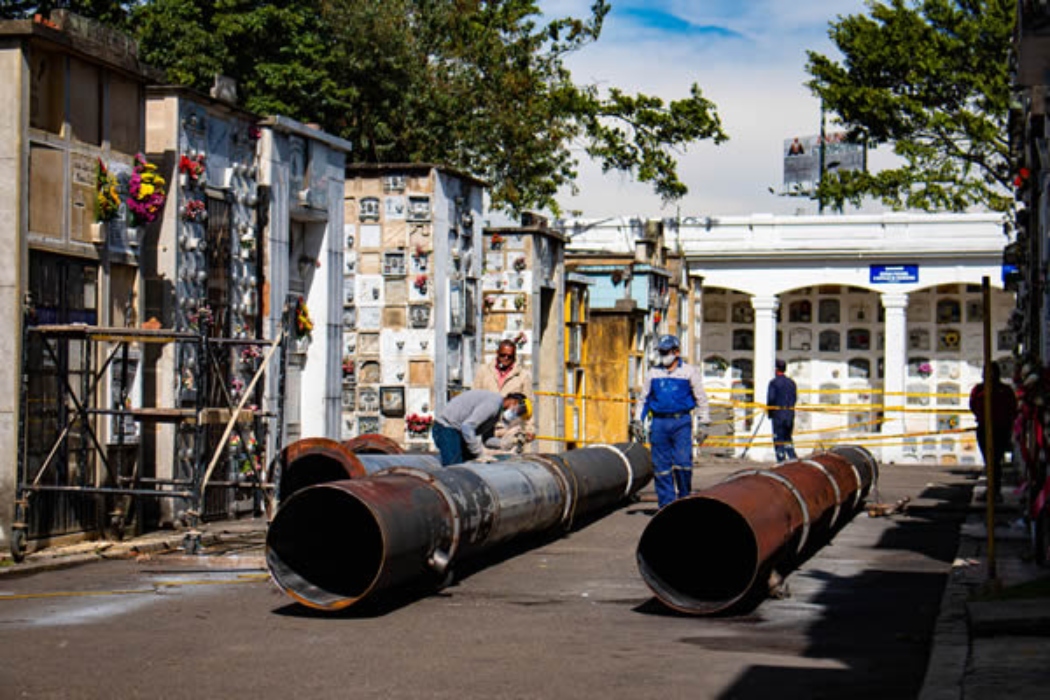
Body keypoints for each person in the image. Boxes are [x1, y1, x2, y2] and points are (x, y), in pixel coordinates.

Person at [632, 334, 711, 508]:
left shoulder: (689, 372)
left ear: (676, 352)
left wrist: (704, 422)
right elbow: (644, 399)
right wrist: (638, 420)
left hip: (681, 422)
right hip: (659, 423)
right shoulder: (653, 373)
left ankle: (683, 499)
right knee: (661, 467)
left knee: (683, 463)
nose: (663, 355)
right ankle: (666, 505)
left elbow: (701, 398)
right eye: (661, 352)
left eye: (666, 351)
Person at [432, 390, 529, 466]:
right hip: (446, 429)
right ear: (514, 401)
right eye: (519, 412)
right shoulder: (493, 405)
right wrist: (479, 454)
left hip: (457, 432)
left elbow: (487, 440)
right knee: (454, 469)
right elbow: (467, 427)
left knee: (467, 467)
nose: (515, 415)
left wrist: (503, 443)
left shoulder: (496, 413)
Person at [969, 362, 1018, 502]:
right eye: (986, 372)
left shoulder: (1005, 390)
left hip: (1001, 429)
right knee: (989, 461)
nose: (988, 375)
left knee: (995, 461)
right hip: (984, 428)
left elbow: (1012, 408)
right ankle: (992, 490)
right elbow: (973, 405)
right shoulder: (978, 389)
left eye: (992, 372)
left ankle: (994, 491)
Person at [473, 339, 536, 444]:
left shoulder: (523, 376)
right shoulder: (484, 371)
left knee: (508, 459)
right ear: (497, 353)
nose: (506, 358)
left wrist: (530, 430)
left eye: (510, 356)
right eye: (503, 355)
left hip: (511, 430)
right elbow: (473, 398)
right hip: (486, 428)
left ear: (514, 356)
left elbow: (529, 405)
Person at [767, 358, 798, 462]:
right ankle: (793, 459)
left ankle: (781, 460)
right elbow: (794, 398)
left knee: (778, 439)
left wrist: (770, 413)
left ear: (776, 369)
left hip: (778, 415)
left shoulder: (774, 383)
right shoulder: (791, 383)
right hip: (789, 414)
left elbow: (771, 398)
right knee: (788, 438)